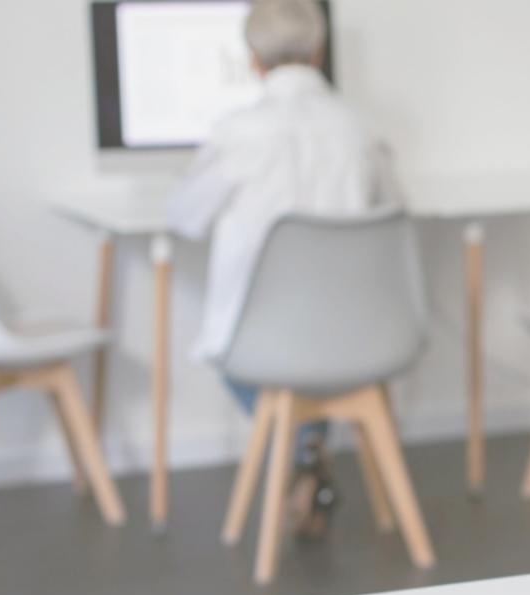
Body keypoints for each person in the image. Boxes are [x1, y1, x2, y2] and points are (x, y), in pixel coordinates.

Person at [166, 0, 400, 537]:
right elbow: (394, 209)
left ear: (252, 60)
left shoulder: (235, 133)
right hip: (360, 342)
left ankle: (299, 447)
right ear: (319, 52)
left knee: (237, 356)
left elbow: (183, 218)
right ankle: (310, 444)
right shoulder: (358, 128)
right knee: (314, 353)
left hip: (264, 349)